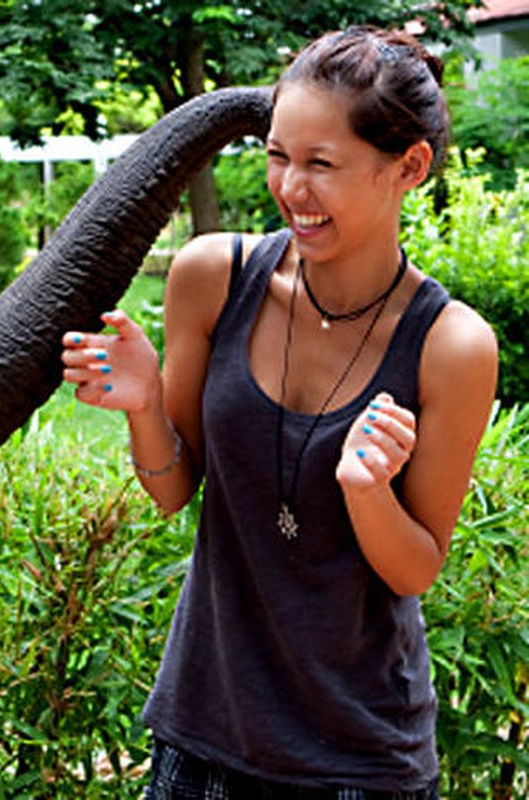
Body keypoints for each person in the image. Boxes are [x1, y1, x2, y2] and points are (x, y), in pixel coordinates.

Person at [61, 25, 498, 799]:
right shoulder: (211, 278)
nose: (290, 189)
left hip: (360, 762)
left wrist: (366, 489)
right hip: (202, 735)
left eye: (320, 164)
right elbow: (173, 490)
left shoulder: (451, 346)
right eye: (276, 157)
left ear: (409, 167)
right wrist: (140, 405)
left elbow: (415, 566)